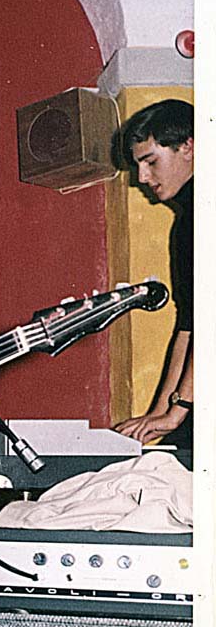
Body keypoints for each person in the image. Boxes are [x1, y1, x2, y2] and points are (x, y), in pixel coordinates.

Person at [113, 98, 193, 448]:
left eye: (150, 162)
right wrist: (160, 414)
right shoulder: (187, 221)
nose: (142, 178)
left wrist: (180, 410)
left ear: (188, 146)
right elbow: (189, 325)